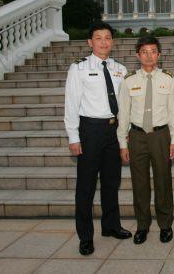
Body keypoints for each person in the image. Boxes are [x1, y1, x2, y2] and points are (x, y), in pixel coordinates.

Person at [64, 22, 132, 256]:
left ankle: (111, 226)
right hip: (90, 130)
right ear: (90, 42)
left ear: (112, 41)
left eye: (107, 38)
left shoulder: (120, 69)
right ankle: (85, 236)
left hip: (113, 131)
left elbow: (124, 105)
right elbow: (71, 104)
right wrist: (74, 136)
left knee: (112, 183)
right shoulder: (79, 69)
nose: (104, 42)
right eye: (98, 38)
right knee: (86, 186)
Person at [116, 36, 174, 245]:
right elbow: (123, 115)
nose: (149, 55)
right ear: (138, 55)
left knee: (163, 181)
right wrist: (123, 144)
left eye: (153, 51)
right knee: (140, 183)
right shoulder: (129, 81)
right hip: (136, 136)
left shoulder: (168, 80)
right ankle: (142, 225)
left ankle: (165, 225)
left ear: (159, 55)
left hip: (161, 136)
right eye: (145, 52)